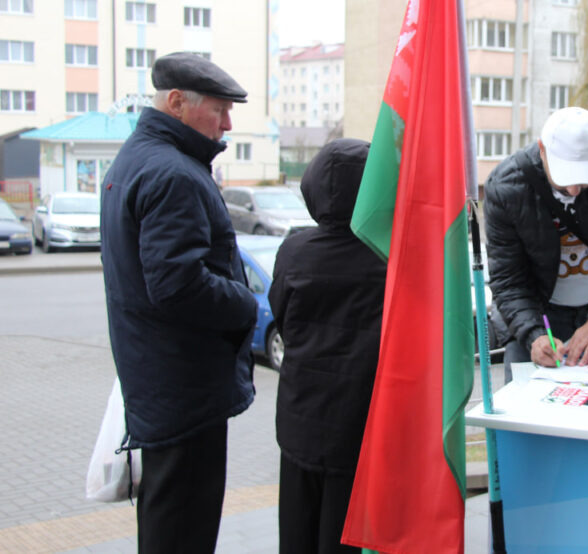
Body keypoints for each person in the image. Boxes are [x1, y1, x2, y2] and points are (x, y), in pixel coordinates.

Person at [100, 52, 257, 554]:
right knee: (182, 530)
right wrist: (248, 305)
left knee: (168, 523)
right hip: (184, 393)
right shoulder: (174, 174)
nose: (227, 124)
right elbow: (177, 284)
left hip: (163, 385)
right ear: (176, 103)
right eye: (220, 110)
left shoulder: (138, 158)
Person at [268, 139, 387, 554]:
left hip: (301, 419)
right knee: (343, 535)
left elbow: (281, 318)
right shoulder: (388, 258)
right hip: (358, 425)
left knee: (297, 528)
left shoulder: (294, 251)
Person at [483, 106, 588, 378]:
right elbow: (508, 277)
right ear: (542, 149)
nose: (574, 190)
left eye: (584, 180)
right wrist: (534, 335)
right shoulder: (506, 187)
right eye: (565, 177)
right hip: (540, 314)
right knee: (528, 408)